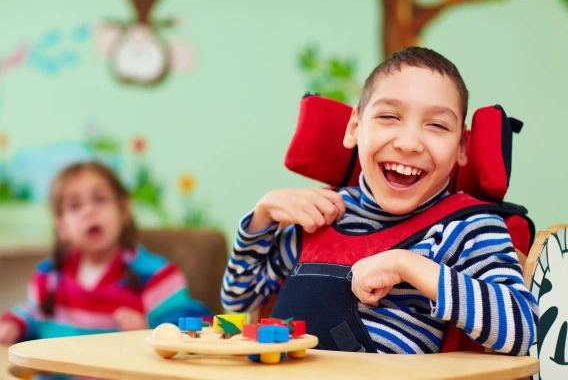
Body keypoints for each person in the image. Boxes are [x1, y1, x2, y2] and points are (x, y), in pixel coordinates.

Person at [222, 47, 538, 355]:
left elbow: (525, 329)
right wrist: (261, 217)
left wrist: (409, 265)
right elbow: (239, 300)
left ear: (461, 147)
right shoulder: (321, 214)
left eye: (437, 125)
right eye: (389, 116)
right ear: (355, 127)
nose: (409, 143)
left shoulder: (467, 227)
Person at [0, 161, 211, 344]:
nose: (89, 211)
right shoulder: (47, 277)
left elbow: (199, 328)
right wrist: (14, 325)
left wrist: (150, 333)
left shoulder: (157, 276)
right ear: (62, 226)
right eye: (75, 206)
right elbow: (32, 315)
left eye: (100, 199)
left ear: (124, 210)